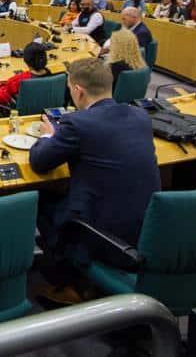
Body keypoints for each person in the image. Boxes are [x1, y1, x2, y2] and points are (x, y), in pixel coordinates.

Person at [29, 57, 160, 252]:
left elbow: (39, 161)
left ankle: (59, 260)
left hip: (104, 238)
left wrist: (48, 135)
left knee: (35, 197)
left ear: (78, 91)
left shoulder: (77, 123)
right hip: (147, 229)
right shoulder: (140, 116)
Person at [0, 42, 52, 116]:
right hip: (44, 113)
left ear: (26, 60)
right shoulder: (51, 76)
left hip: (20, 116)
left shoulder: (20, 80)